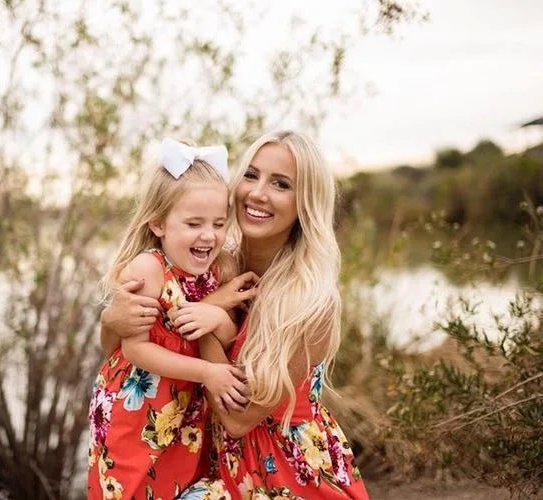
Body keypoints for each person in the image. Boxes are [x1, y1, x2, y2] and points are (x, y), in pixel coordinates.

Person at [101, 131, 370, 499]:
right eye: (251, 175)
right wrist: (110, 321)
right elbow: (121, 355)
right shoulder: (213, 261)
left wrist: (211, 316)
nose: (257, 193)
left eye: (280, 183)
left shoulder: (311, 299)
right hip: (213, 458)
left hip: (285, 471)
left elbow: (238, 418)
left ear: (305, 202)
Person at [87, 138, 250, 500]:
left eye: (219, 223)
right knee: (132, 491)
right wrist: (208, 373)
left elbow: (229, 333)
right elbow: (135, 351)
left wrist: (217, 318)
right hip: (136, 411)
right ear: (159, 224)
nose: (209, 235)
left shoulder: (220, 268)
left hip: (184, 413)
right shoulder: (150, 270)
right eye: (194, 223)